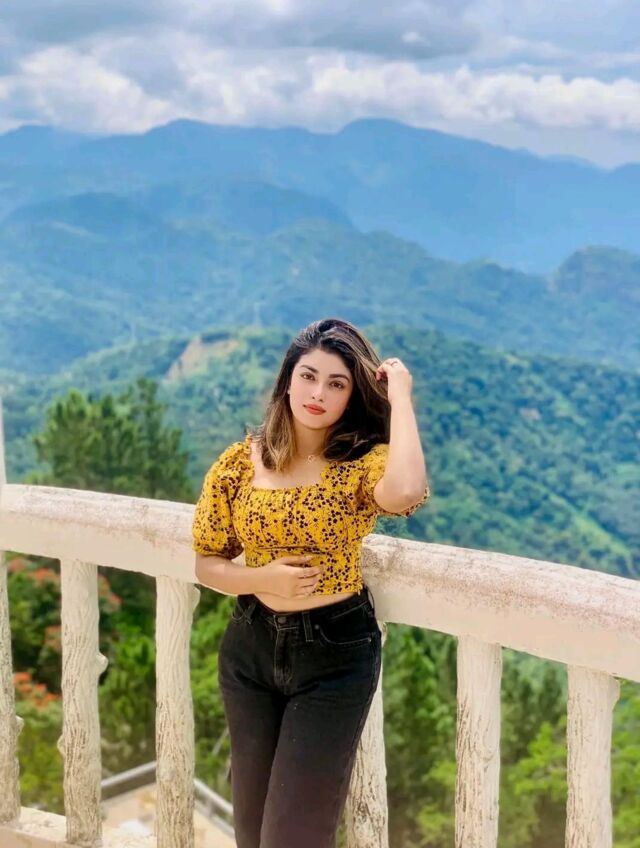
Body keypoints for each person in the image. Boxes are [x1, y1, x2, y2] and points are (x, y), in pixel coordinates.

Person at [191, 317, 431, 848]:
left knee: (292, 835)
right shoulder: (241, 462)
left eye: (336, 383)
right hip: (250, 648)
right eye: (308, 376)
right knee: (251, 831)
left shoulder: (359, 464)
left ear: (352, 396)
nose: (318, 393)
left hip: (333, 654)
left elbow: (406, 490)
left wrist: (400, 397)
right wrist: (261, 578)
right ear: (287, 381)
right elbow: (206, 562)